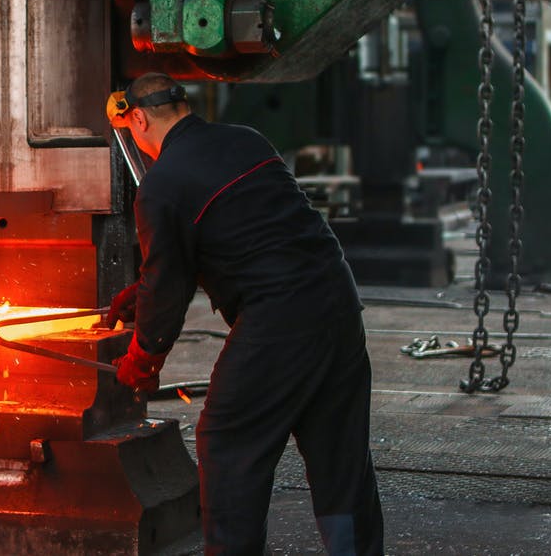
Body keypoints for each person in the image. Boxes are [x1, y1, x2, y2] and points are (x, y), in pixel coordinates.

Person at [102, 73, 384, 555]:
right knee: (340, 458)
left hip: (280, 320)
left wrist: (143, 359)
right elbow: (245, 232)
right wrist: (142, 292)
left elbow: (169, 286)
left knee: (227, 441)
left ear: (140, 119)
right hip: (336, 302)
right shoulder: (245, 139)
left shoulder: (161, 185)